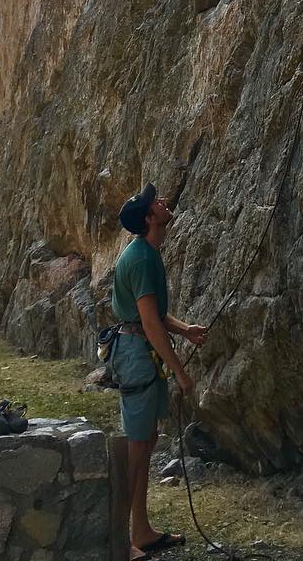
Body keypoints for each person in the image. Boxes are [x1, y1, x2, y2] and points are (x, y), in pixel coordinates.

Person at [111, 183, 208, 559]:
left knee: (145, 441)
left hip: (138, 353)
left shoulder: (145, 254)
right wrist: (181, 373)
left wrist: (186, 330)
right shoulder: (141, 259)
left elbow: (153, 316)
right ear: (150, 219)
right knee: (137, 447)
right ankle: (123, 542)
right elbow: (149, 324)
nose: (164, 203)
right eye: (157, 203)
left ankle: (140, 530)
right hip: (137, 356)